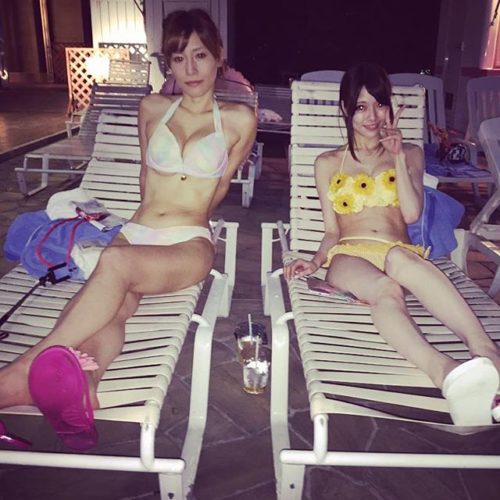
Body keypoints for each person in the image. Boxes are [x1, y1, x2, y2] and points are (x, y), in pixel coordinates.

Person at [0, 8, 257, 449]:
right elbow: (145, 176)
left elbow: (219, 188)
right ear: (168, 64)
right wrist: (140, 227)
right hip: (137, 232)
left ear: (219, 56)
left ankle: (21, 373)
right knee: (115, 306)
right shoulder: (152, 108)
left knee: (115, 263)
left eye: (200, 55)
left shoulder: (238, 119)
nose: (190, 68)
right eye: (178, 58)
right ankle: (86, 388)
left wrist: (184, 219)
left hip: (188, 241)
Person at [284, 62, 500, 426]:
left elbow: (412, 215)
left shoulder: (410, 153)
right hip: (349, 257)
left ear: (389, 107)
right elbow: (332, 231)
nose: (372, 116)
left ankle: (489, 356)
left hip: (398, 252)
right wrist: (316, 261)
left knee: (402, 258)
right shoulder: (327, 163)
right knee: (386, 289)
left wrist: (397, 156)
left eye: (379, 104)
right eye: (361, 106)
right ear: (345, 109)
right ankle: (446, 373)